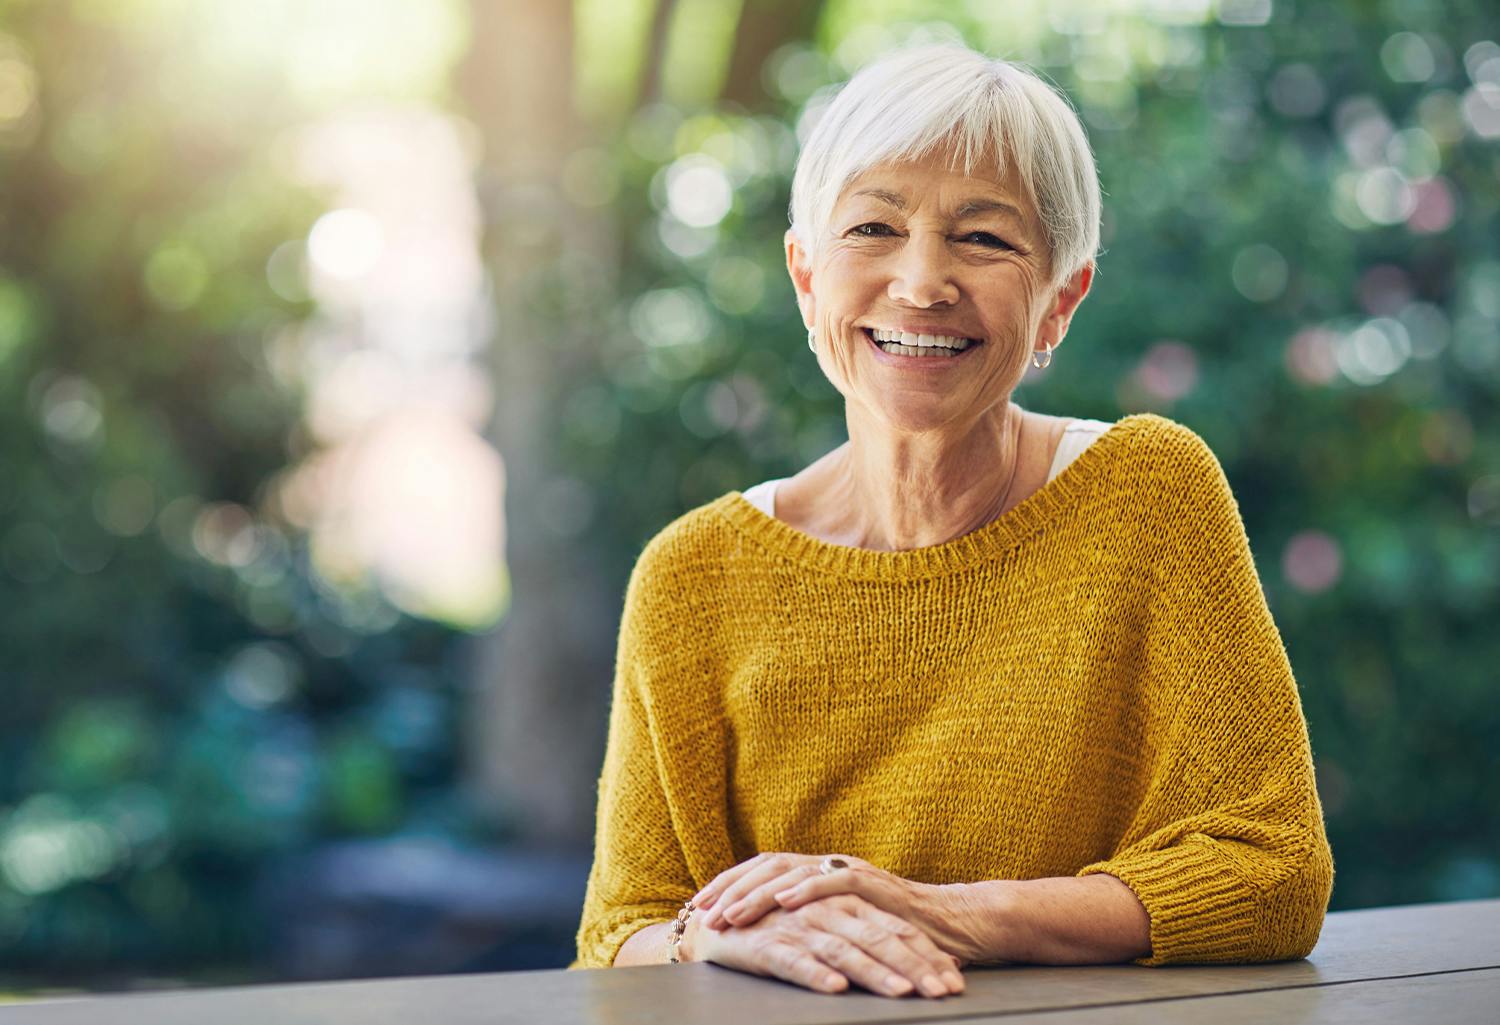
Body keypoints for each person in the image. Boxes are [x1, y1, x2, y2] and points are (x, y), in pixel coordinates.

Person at [569, 41, 1335, 1000]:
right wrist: (709, 939)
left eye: (984, 238)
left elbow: (1272, 871)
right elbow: (615, 938)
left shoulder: (1150, 495)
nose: (923, 282)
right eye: (874, 228)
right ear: (806, 279)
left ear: (1060, 298)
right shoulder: (692, 576)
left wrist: (946, 913)